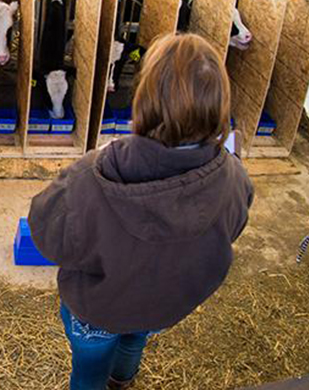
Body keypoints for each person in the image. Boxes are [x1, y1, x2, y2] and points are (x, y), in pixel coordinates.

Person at [28, 33, 254, 390]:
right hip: (163, 306)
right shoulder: (234, 177)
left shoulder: (92, 177)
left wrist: (99, 156)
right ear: (219, 105)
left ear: (144, 99)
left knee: (89, 369)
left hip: (98, 311)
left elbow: (45, 234)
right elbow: (234, 227)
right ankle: (122, 381)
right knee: (135, 338)